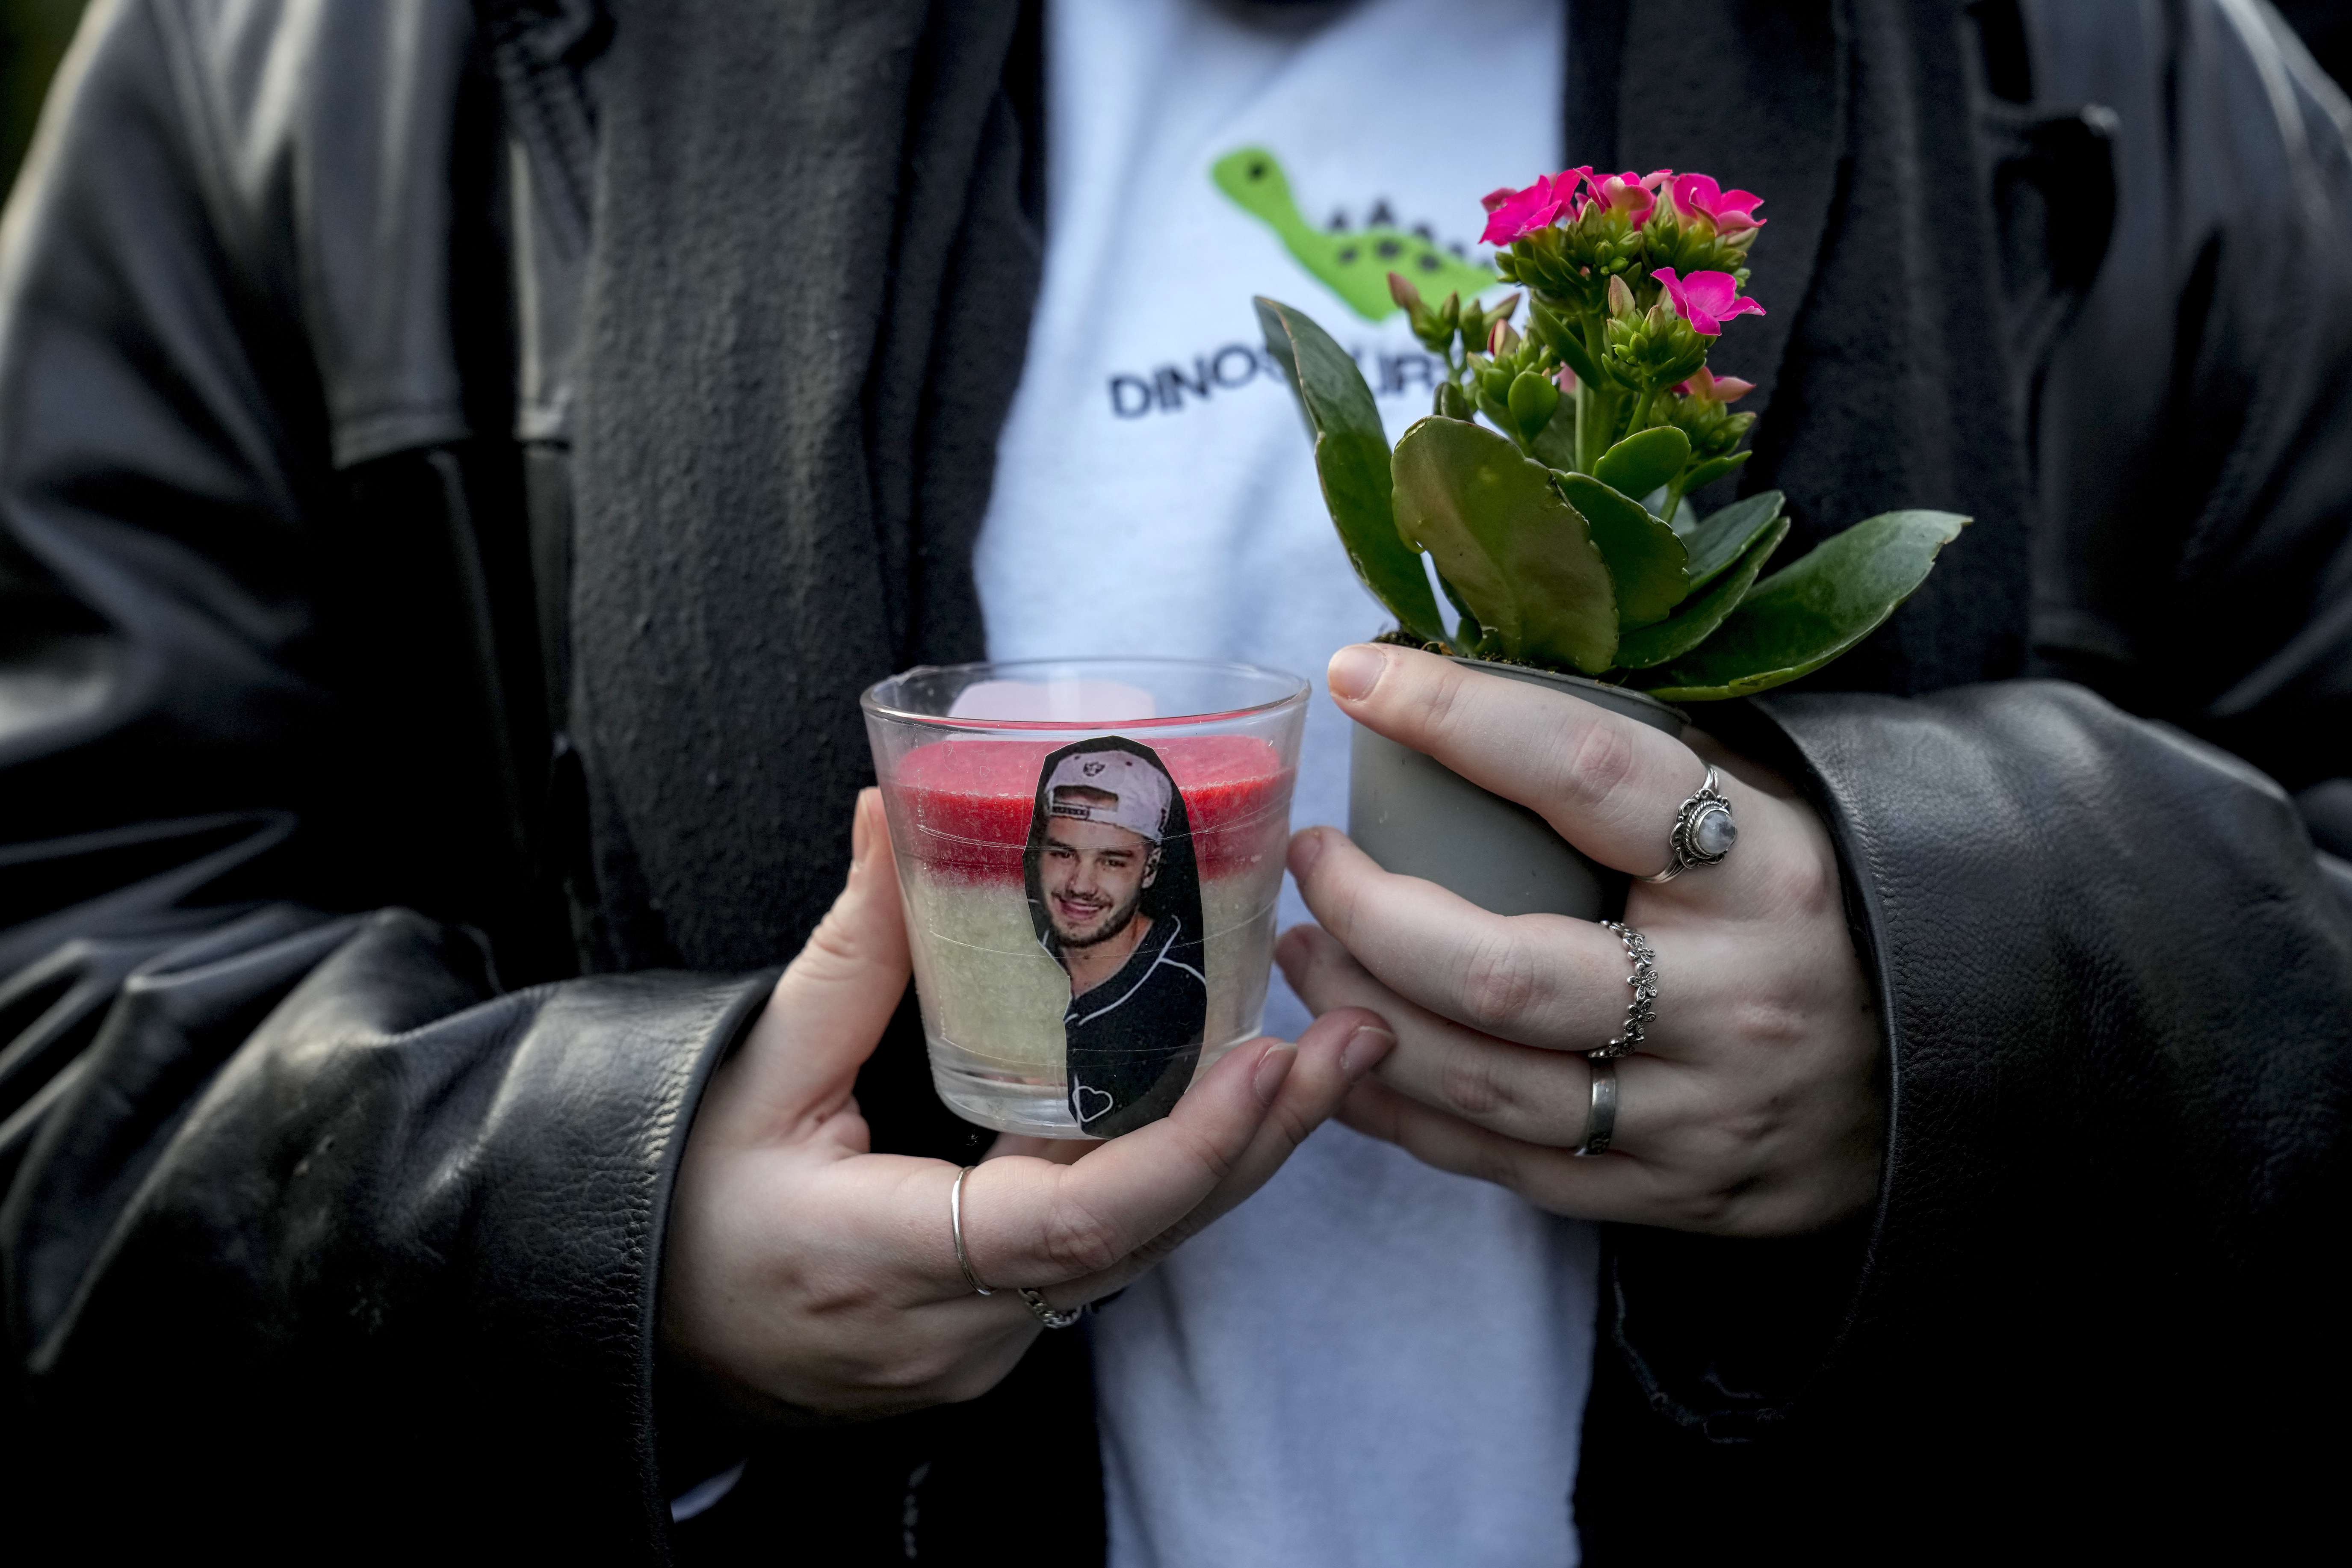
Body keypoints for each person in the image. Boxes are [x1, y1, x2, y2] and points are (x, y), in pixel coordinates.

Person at [0, 1, 2345, 1564]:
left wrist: (1982, 1002)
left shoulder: (2125, 63)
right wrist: (611, 1228)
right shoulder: (312, 65)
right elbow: (63, 975)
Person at [1028, 742, 1209, 1135]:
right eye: (1063, 854)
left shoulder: (1187, 992)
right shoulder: (1014, 946)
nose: (1080, 885)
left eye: (1111, 861)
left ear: (1151, 868)